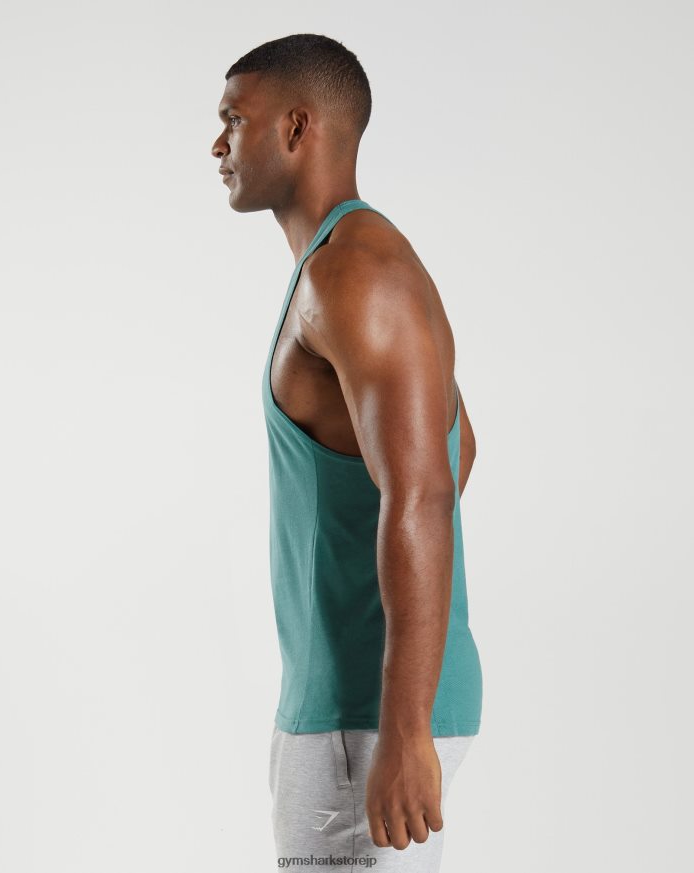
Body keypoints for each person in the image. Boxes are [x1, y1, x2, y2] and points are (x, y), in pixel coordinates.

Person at [212, 33, 483, 873]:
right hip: (349, 710)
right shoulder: (346, 264)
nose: (218, 145)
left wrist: (403, 729)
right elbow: (455, 451)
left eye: (234, 120)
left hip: (365, 720)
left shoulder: (357, 273)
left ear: (297, 128)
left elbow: (426, 491)